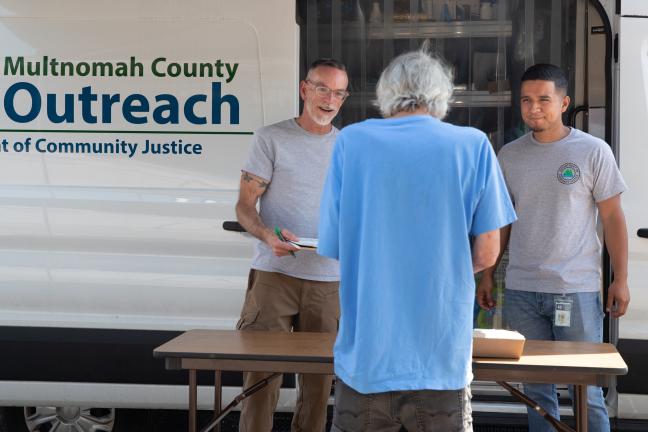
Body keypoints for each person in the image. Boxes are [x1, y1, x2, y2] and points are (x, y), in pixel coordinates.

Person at [318, 49, 516, 431]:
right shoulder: (472, 145)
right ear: (441, 94)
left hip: (367, 362)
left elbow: (335, 247)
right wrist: (447, 267)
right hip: (441, 361)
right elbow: (489, 251)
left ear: (386, 93)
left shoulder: (351, 142)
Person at [477, 63, 630, 432]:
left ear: (564, 103)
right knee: (536, 391)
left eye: (544, 99)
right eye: (526, 100)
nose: (534, 108)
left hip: (574, 290)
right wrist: (487, 274)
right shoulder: (509, 155)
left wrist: (621, 279)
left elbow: (612, 218)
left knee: (586, 390)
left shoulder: (592, 151)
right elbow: (503, 222)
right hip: (522, 291)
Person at [234, 58, 349, 432]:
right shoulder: (271, 138)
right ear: (304, 90)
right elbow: (244, 206)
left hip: (328, 279)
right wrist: (269, 237)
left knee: (318, 385)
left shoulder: (349, 147)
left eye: (338, 93)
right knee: (261, 379)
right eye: (322, 89)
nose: (329, 99)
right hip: (275, 275)